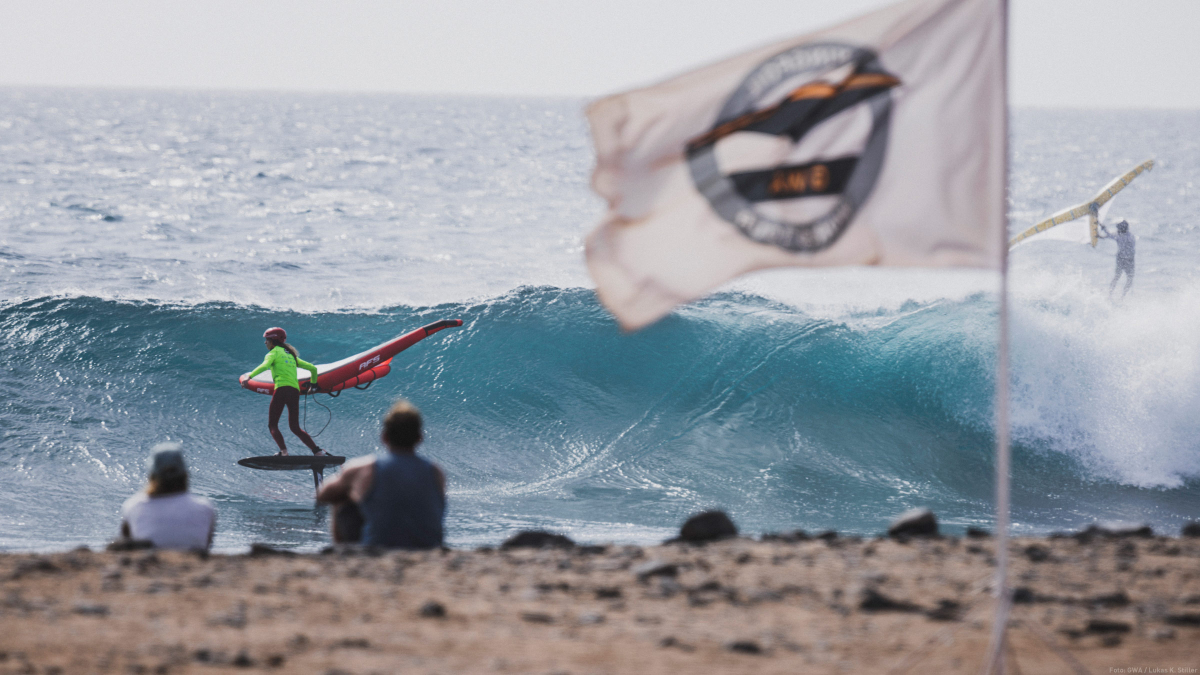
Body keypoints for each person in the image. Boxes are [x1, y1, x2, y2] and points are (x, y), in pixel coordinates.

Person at [317, 400, 446, 549]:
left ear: (384, 437)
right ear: (420, 437)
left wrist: (353, 489)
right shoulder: (436, 471)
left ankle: (343, 553)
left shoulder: (365, 468)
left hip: (377, 548)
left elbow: (323, 495)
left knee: (342, 497)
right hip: (430, 548)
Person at [241, 327, 326, 456]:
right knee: (295, 427)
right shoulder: (291, 355)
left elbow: (264, 366)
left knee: (272, 425)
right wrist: (313, 385)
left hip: (281, 389)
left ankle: (284, 452)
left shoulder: (273, 353)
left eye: (267, 340)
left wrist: (249, 377)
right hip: (294, 392)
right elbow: (313, 369)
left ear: (273, 341)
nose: (265, 343)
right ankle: (317, 451)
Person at [120, 443, 216, 551]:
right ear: (185, 474)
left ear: (152, 475)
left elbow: (128, 548)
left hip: (149, 564)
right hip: (194, 564)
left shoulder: (133, 506)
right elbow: (206, 547)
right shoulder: (205, 508)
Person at [1097, 219, 1135, 298]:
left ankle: (1111, 294)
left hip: (1121, 259)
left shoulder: (1120, 236)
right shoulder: (1130, 236)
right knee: (1129, 279)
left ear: (1122, 229)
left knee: (1117, 277)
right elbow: (1111, 235)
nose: (1117, 229)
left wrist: (1102, 228)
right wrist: (1101, 228)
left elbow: (1109, 235)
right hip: (1128, 260)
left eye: (1118, 228)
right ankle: (1122, 296)